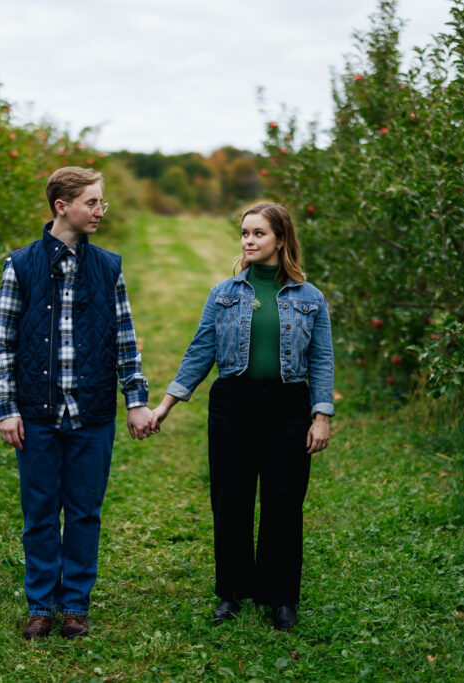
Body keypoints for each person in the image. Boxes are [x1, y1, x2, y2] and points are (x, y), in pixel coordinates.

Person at [149, 202, 334, 632]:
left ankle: (281, 598)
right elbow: (200, 352)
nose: (249, 241)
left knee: (283, 504)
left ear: (281, 239)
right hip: (233, 406)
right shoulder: (224, 293)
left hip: (288, 407)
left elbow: (321, 359)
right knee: (230, 501)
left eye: (258, 234)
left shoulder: (311, 298)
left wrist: (320, 415)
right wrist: (166, 404)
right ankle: (231, 593)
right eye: (245, 234)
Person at [0, 166, 154, 641]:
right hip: (36, 415)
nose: (101, 211)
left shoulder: (108, 267)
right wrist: (8, 408)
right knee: (40, 510)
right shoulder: (20, 265)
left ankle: (76, 605)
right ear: (62, 206)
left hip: (92, 413)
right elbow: (3, 344)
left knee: (84, 510)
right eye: (93, 202)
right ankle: (41, 604)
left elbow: (126, 339)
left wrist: (136, 400)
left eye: (102, 202)